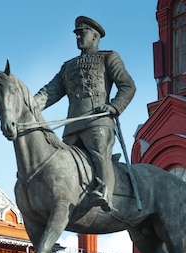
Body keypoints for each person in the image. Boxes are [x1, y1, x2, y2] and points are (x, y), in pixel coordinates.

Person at [33, 16, 136, 212]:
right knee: (61, 163)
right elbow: (50, 93)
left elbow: (128, 86)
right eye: (77, 34)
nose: (78, 37)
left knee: (99, 154)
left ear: (95, 36)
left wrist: (114, 107)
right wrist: (29, 105)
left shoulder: (108, 57)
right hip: (72, 126)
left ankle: (105, 193)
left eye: (83, 33)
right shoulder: (68, 66)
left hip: (98, 122)